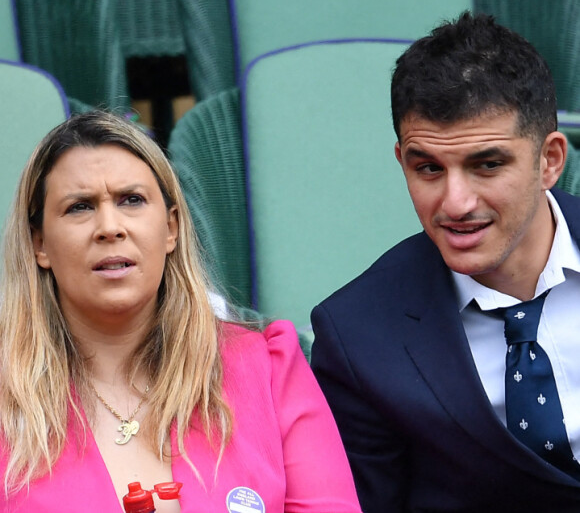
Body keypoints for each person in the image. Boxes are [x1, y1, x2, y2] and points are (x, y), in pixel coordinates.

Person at [0, 110, 362, 513]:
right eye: (80, 207)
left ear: (171, 228)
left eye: (132, 200)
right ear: (40, 244)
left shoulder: (268, 368)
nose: (110, 226)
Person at [310, 11, 580, 512]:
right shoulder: (357, 334)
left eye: (487, 164)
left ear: (550, 160)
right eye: (428, 168)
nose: (455, 203)